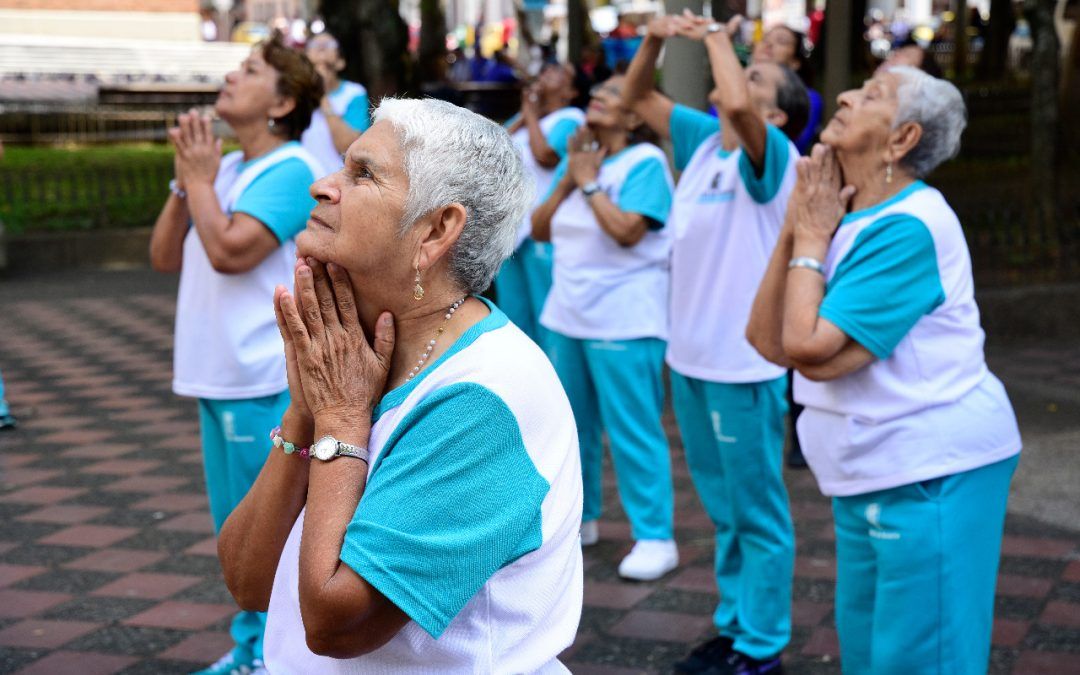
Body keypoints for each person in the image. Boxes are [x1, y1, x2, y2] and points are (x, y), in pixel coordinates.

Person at [216, 98, 583, 672]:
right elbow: (248, 583)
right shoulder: (352, 358)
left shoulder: (485, 396)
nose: (321, 185)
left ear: (436, 230)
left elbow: (338, 624)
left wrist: (339, 420)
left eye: (362, 174)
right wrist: (304, 412)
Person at [746, 66, 1022, 673]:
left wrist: (811, 240)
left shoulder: (910, 225)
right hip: (869, 474)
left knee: (923, 658)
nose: (844, 95)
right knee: (873, 653)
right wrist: (799, 222)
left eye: (871, 95)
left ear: (902, 139)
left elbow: (809, 348)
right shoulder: (842, 213)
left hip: (933, 472)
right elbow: (766, 340)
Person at [622, 12, 808, 673]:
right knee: (725, 511)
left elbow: (734, 97)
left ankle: (762, 645)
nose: (740, 74)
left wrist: (711, 36)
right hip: (691, 362)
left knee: (757, 512)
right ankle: (735, 626)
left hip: (744, 367)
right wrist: (651, 38)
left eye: (759, 73)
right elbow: (635, 98)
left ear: (779, 116)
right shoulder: (705, 144)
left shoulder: (774, 159)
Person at [148, 34, 324, 675]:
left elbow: (228, 251)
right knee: (235, 526)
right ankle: (253, 649)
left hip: (259, 379)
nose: (231, 76)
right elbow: (165, 256)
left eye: (250, 71)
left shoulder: (291, 170)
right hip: (216, 376)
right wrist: (185, 181)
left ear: (281, 103)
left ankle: (278, 655)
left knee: (268, 530)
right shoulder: (224, 169)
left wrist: (199, 180)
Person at [531, 74, 677, 581]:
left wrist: (590, 184)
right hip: (567, 317)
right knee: (571, 428)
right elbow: (539, 227)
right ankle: (583, 519)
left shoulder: (645, 163)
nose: (599, 97)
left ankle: (655, 536)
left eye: (613, 95)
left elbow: (627, 232)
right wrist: (573, 179)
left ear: (636, 117)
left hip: (626, 319)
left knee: (633, 430)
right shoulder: (582, 159)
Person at [496, 63, 584, 347]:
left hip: (541, 231)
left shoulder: (572, 118)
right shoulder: (530, 118)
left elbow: (546, 154)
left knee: (544, 313)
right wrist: (526, 112)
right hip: (512, 231)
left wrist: (531, 115)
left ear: (571, 91)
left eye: (561, 72)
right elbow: (494, 145)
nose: (549, 72)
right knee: (514, 315)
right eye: (547, 69)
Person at [301, 32, 370, 175]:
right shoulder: (297, 95)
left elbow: (348, 148)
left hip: (338, 184)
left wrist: (322, 94)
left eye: (329, 45)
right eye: (314, 45)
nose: (321, 48)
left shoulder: (354, 93)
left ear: (340, 62)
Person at [753, 24, 823, 154]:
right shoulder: (734, 87)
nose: (769, 43)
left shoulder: (809, 98)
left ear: (795, 62)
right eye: (765, 38)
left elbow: (796, 141)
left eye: (781, 41)